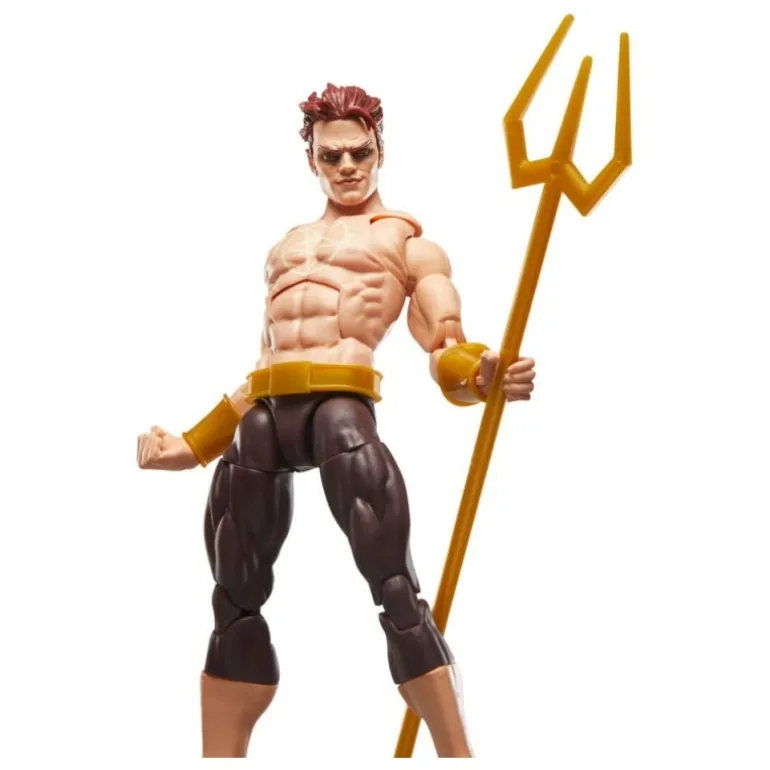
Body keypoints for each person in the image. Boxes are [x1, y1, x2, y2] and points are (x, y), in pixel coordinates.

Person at [136, 83, 536, 758]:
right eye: (332, 156)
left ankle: (455, 752)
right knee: (232, 600)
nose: (347, 166)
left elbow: (443, 342)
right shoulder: (287, 248)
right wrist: (194, 444)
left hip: (340, 411)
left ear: (380, 151)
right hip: (266, 416)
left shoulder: (406, 244)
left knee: (394, 588)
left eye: (359, 153)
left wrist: (480, 374)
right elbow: (262, 364)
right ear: (312, 160)